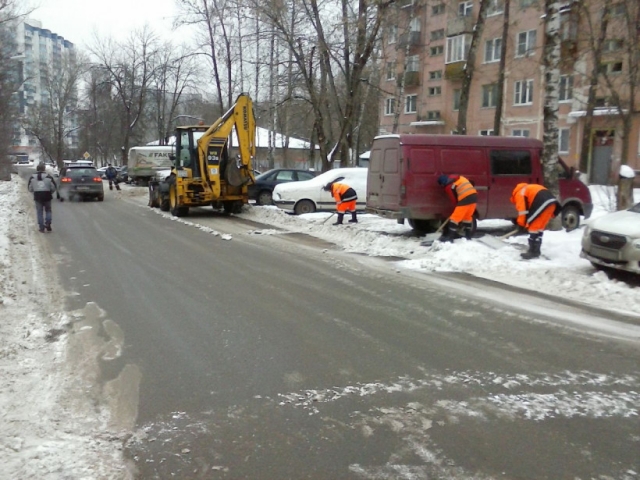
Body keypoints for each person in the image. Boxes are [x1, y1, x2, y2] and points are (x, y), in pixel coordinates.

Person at [510, 183, 561, 259]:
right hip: (552, 204)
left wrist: (521, 224)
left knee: (533, 228)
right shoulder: (527, 189)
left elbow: (522, 211)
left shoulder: (519, 194)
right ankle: (536, 251)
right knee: (539, 228)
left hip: (542, 204)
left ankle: (533, 251)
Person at [436, 174, 477, 241]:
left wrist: (457, 206)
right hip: (474, 196)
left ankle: (450, 237)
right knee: (467, 217)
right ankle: (468, 236)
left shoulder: (449, 186)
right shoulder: (460, 177)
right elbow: (471, 182)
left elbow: (453, 199)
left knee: (454, 219)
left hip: (465, 199)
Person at [28, 162, 61, 233]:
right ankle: (48, 223)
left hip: (37, 196)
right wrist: (50, 191)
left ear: (37, 169)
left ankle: (41, 227)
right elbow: (53, 187)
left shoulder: (32, 177)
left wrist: (35, 189)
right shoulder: (49, 177)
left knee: (39, 212)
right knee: (48, 210)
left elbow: (30, 188)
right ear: (44, 169)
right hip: (47, 195)